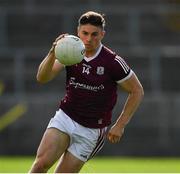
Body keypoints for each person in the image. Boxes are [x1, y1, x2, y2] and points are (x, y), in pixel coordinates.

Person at [29, 11, 144, 173]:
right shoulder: (70, 51)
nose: (89, 39)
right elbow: (42, 77)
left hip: (92, 130)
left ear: (102, 34)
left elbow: (137, 91)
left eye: (94, 34)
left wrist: (120, 125)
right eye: (85, 33)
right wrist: (52, 52)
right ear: (78, 32)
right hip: (66, 117)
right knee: (40, 165)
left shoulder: (112, 62)